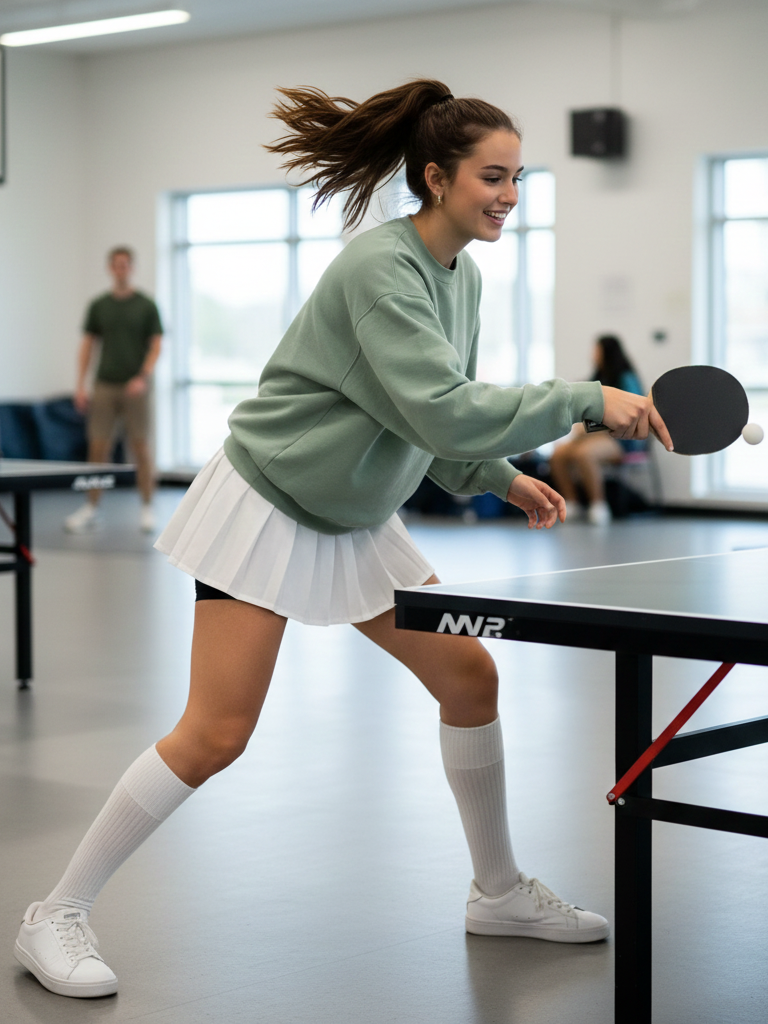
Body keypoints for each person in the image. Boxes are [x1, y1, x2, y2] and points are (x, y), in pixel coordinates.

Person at [14, 81, 672, 999]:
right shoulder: (378, 269)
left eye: (518, 178)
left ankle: (497, 890)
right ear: (436, 178)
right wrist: (580, 398)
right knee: (216, 733)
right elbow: (436, 403)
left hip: (357, 515)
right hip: (271, 499)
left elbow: (434, 417)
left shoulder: (462, 278)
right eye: (493, 176)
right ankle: (54, 913)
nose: (509, 195)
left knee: (468, 676)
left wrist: (497, 475)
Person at [65, 246, 163, 535]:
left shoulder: (146, 305)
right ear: (110, 268)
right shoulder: (99, 306)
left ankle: (147, 507)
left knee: (140, 447)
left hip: (136, 386)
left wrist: (142, 376)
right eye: (116, 265)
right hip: (104, 385)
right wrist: (80, 385)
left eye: (125, 265)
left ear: (132, 268)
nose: (121, 269)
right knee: (98, 447)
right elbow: (87, 346)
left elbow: (156, 346)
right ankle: (91, 507)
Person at [548, 335, 646, 525]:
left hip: (622, 441)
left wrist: (590, 429)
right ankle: (572, 502)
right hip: (594, 437)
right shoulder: (597, 377)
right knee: (558, 455)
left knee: (584, 454)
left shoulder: (626, 378)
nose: (593, 354)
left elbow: (632, 415)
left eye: (596, 349)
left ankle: (598, 505)